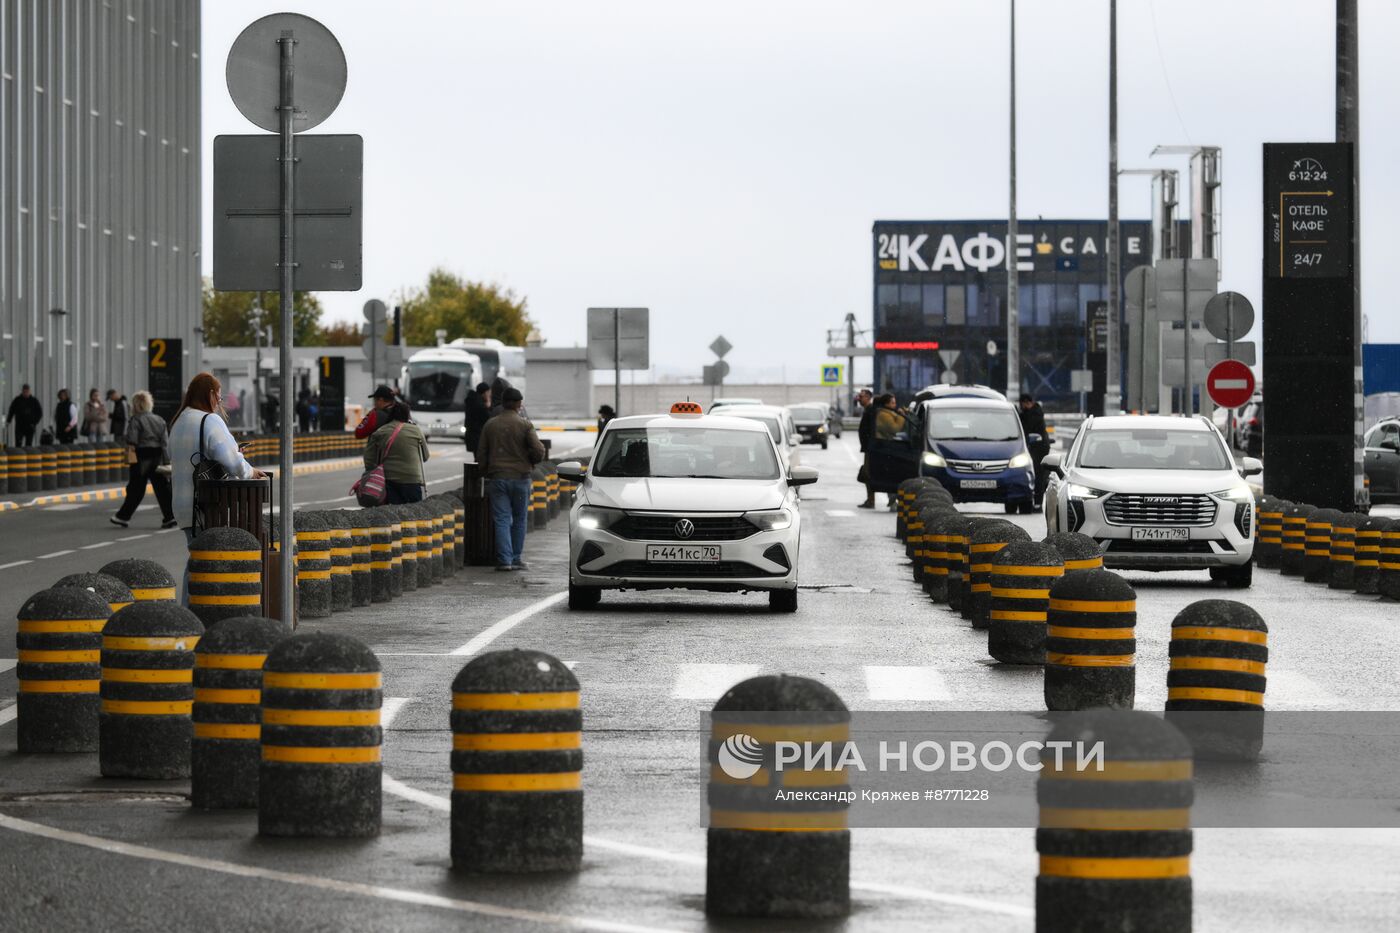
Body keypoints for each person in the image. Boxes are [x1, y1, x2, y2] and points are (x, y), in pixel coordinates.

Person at [169, 372, 263, 546]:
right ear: (210, 394)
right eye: (218, 399)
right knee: (209, 564)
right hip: (207, 503)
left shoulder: (178, 421)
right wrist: (251, 471)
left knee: (199, 559)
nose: (218, 404)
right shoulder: (210, 420)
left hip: (182, 505)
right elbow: (233, 462)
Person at [477, 386, 545, 571]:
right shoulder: (524, 425)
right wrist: (531, 461)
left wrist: (486, 471)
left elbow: (481, 453)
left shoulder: (490, 424)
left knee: (501, 519)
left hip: (498, 478)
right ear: (518, 404)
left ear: (502, 403)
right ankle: (516, 558)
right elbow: (539, 450)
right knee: (519, 518)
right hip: (521, 478)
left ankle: (505, 560)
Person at [110, 390, 175, 529]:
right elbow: (165, 443)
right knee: (162, 488)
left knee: (136, 487)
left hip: (141, 456)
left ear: (136, 405)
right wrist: (167, 461)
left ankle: (123, 516)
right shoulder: (160, 420)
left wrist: (128, 456)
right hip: (157, 456)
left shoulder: (136, 419)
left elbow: (132, 440)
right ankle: (170, 517)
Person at [363, 401, 430, 504]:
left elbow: (369, 459)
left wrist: (372, 470)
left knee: (393, 513)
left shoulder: (380, 432)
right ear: (408, 415)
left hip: (389, 481)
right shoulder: (416, 430)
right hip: (412, 480)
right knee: (415, 514)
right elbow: (425, 456)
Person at [1018, 392, 1051, 506]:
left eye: (1022, 404)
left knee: (1037, 475)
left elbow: (1026, 430)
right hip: (1034, 447)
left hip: (1038, 449)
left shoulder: (1034, 415)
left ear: (1026, 403)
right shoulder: (1033, 412)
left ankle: (1037, 503)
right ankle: (1034, 502)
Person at [855, 388, 878, 508]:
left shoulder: (871, 410)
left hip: (870, 449)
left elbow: (870, 430)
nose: (859, 398)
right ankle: (870, 499)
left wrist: (869, 444)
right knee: (867, 473)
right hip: (868, 448)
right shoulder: (867, 410)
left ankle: (871, 500)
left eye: (861, 396)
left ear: (868, 397)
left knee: (868, 474)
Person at [464, 382, 491, 455]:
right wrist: (488, 405)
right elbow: (487, 417)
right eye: (488, 392)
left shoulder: (472, 400)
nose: (489, 395)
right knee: (479, 458)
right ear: (484, 393)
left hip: (472, 435)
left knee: (477, 457)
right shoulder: (479, 404)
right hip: (477, 436)